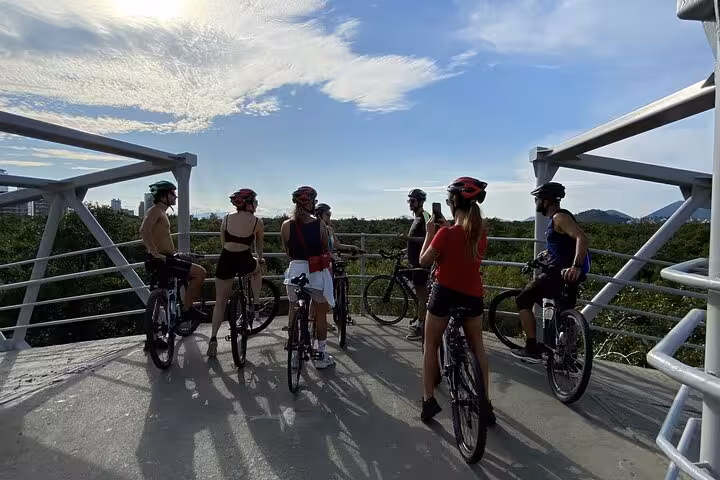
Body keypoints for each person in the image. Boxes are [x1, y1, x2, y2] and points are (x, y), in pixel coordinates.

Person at [417, 176, 495, 425]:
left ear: (452, 202)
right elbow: (463, 237)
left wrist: (431, 233)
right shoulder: (479, 232)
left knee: (430, 346)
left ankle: (428, 401)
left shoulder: (444, 234)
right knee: (477, 349)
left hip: (444, 294)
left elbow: (424, 262)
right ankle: (485, 403)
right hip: (473, 295)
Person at [511, 181, 590, 363]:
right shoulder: (558, 219)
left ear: (546, 201)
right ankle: (566, 357)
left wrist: (576, 265)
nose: (536, 202)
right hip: (568, 275)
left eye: (537, 199)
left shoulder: (559, 217)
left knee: (523, 299)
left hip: (558, 273)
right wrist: (545, 256)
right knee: (564, 314)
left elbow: (581, 238)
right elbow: (563, 245)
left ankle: (531, 349)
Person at [140, 180, 208, 348]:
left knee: (160, 293)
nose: (175, 196)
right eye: (172, 193)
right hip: (163, 259)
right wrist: (156, 253)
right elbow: (143, 230)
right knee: (200, 273)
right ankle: (187, 310)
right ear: (164, 196)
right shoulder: (156, 211)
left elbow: (160, 237)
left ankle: (152, 339)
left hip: (161, 258)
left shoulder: (159, 211)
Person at [280, 186, 336, 369]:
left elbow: (288, 252)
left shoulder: (286, 225)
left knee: (293, 307)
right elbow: (323, 249)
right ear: (310, 203)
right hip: (315, 272)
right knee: (320, 314)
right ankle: (320, 355)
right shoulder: (320, 224)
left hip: (295, 271)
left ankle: (294, 349)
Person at [207, 188, 265, 358]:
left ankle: (213, 339)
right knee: (256, 271)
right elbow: (258, 246)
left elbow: (223, 242)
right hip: (245, 259)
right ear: (249, 204)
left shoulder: (225, 218)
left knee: (220, 301)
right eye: (255, 201)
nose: (256, 204)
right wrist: (260, 259)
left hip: (226, 259)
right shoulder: (257, 222)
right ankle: (255, 304)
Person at [399, 189, 431, 341]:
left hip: (421, 263)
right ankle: (420, 319)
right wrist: (406, 248)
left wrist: (408, 238)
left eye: (413, 201)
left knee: (422, 296)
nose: (410, 204)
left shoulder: (424, 216)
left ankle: (421, 326)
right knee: (420, 295)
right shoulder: (417, 217)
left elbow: (427, 239)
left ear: (420, 202)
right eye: (409, 201)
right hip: (415, 262)